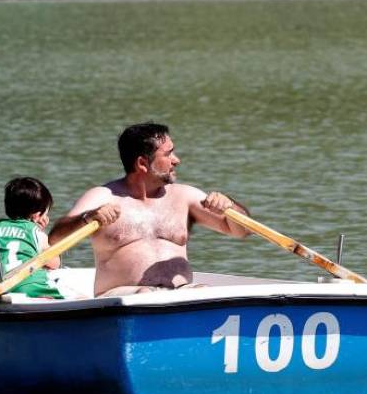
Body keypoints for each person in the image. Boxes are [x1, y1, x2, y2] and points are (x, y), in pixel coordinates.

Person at [48, 123, 250, 297]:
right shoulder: (102, 197)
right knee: (145, 295)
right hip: (123, 298)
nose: (176, 160)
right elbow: (55, 240)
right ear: (143, 163)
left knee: (203, 292)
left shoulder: (185, 196)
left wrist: (229, 206)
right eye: (169, 154)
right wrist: (87, 218)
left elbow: (241, 231)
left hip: (179, 294)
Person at [0, 177, 64, 299]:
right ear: (37, 215)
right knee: (78, 297)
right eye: (46, 212)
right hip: (30, 285)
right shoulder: (36, 232)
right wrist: (41, 232)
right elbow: (54, 263)